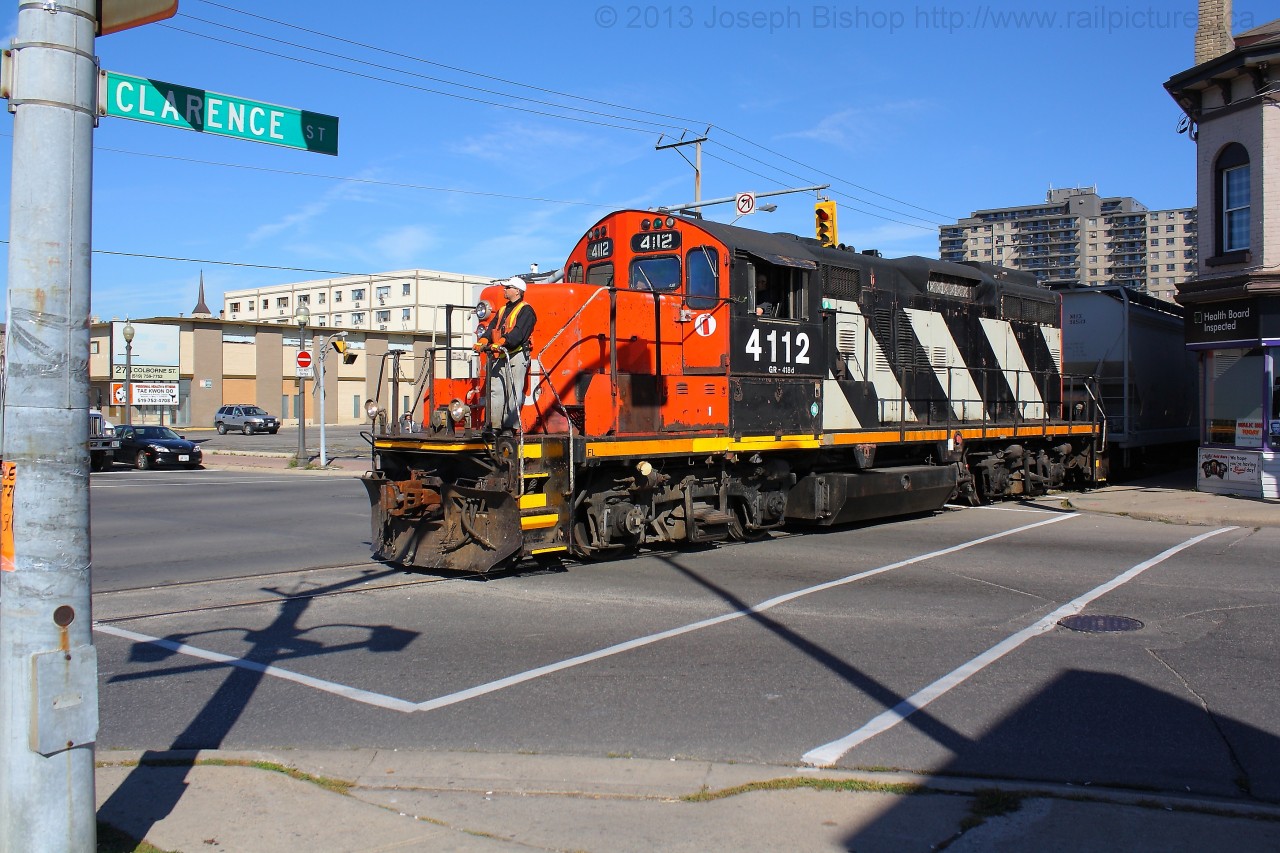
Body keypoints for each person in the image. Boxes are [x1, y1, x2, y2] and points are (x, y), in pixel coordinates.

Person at [474, 276, 537, 435]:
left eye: (508, 287)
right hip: (501, 354)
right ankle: (495, 426)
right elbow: (492, 328)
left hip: (516, 355)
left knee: (513, 390)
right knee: (496, 389)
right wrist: (483, 340)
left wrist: (502, 342)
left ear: (517, 291)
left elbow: (519, 333)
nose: (504, 290)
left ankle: (509, 428)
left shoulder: (526, 310)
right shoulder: (502, 310)